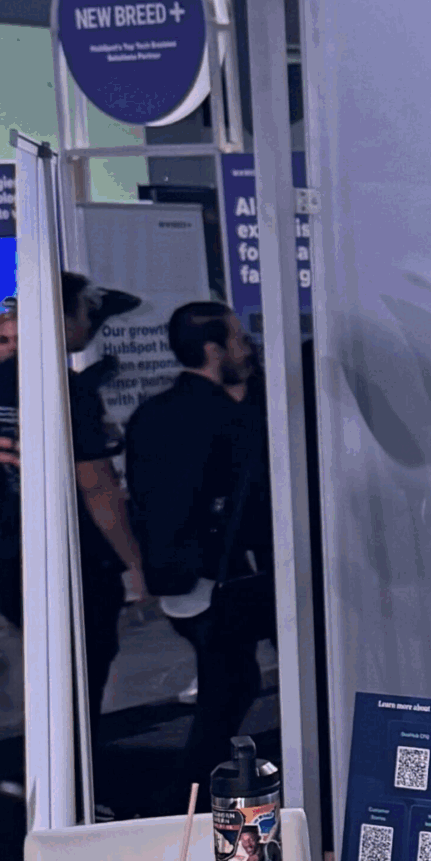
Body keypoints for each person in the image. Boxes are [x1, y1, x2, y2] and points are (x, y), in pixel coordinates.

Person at [0, 273, 150, 708]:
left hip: (18, 548)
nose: (90, 324)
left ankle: (50, 748)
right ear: (63, 319)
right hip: (76, 556)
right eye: (87, 313)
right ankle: (77, 750)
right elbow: (97, 487)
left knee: (46, 673)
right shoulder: (71, 390)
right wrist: (135, 563)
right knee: (85, 671)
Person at [125, 301, 275, 785]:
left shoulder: (151, 415)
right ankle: (194, 793)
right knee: (228, 688)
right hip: (222, 575)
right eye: (238, 339)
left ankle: (197, 790)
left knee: (231, 682)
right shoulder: (225, 417)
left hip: (179, 576)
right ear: (214, 350)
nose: (246, 348)